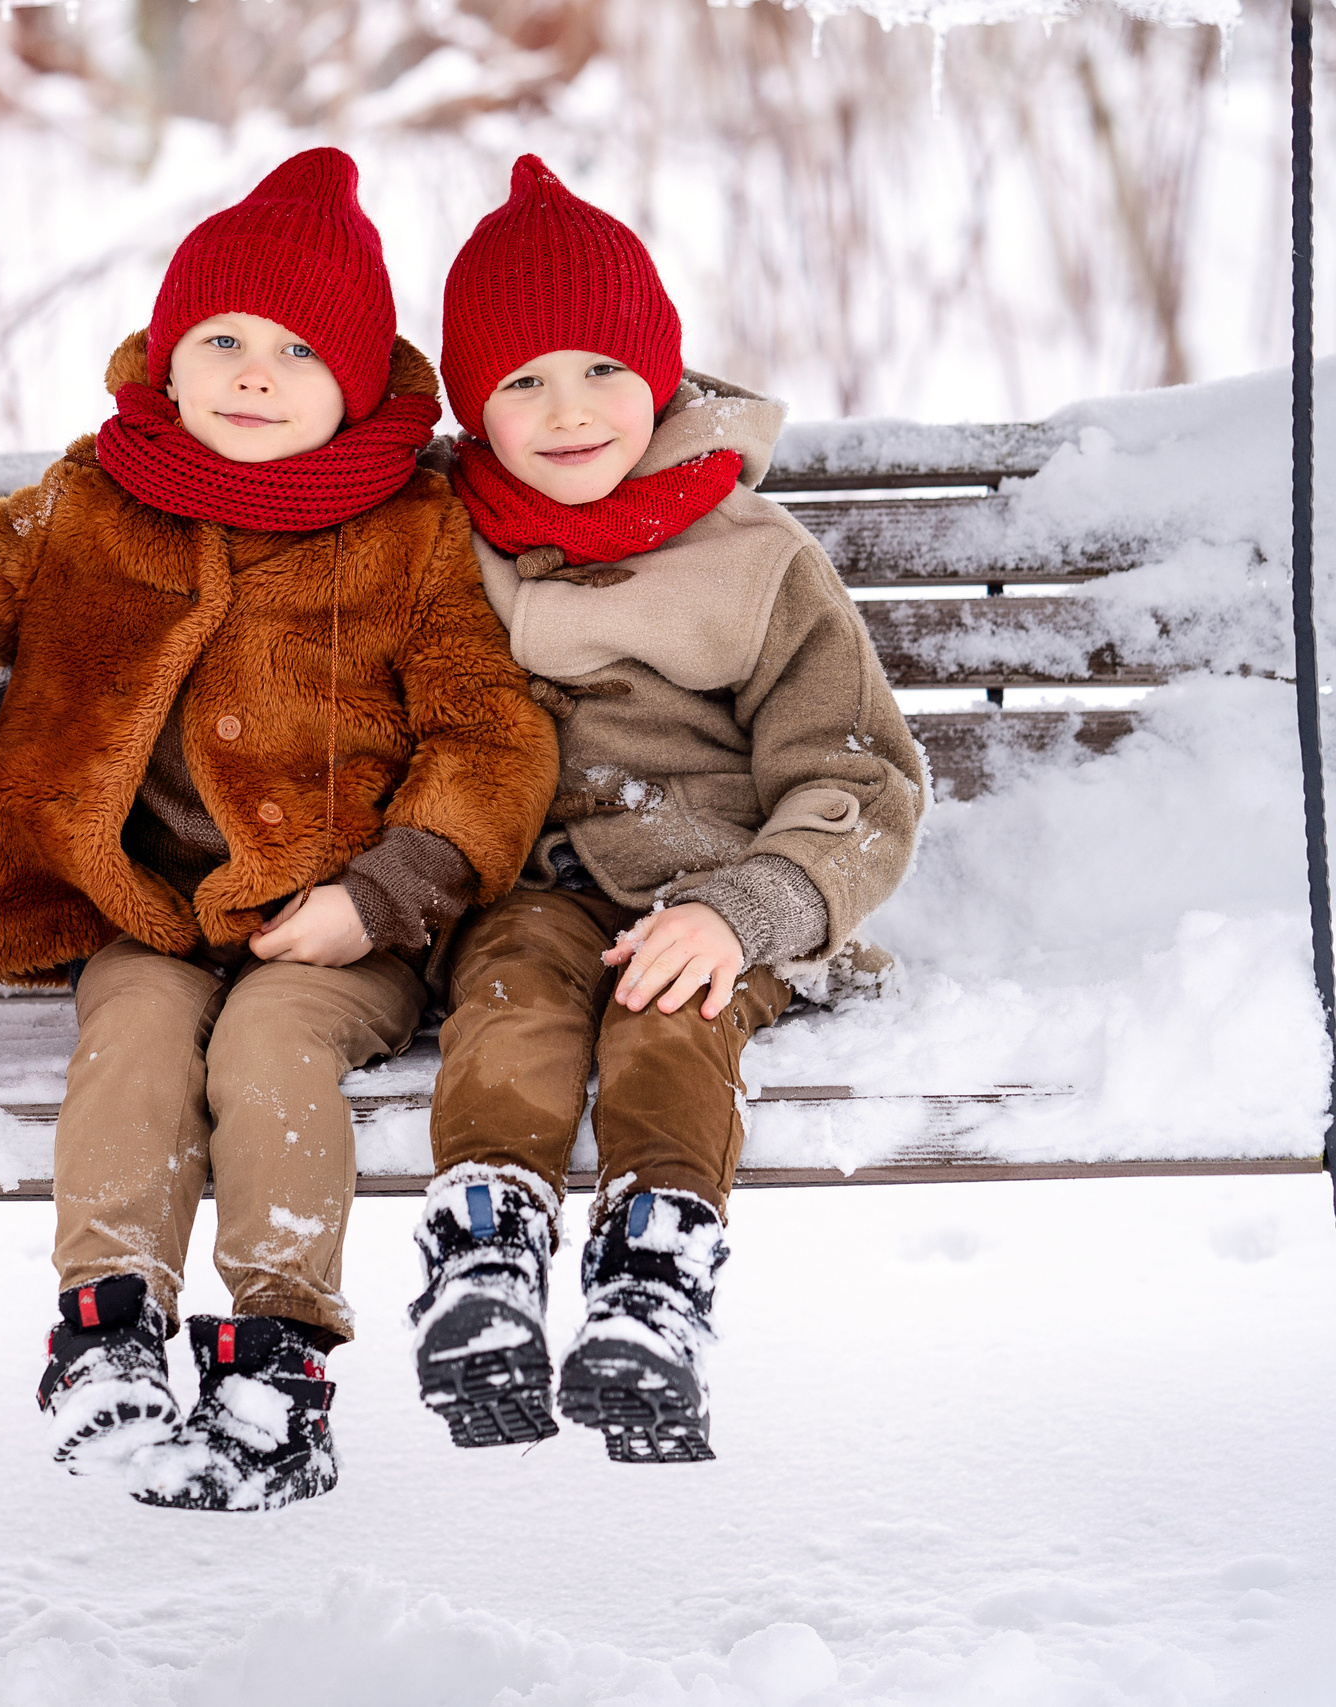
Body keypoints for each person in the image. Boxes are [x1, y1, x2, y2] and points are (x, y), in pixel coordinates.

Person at [0, 149, 558, 1511]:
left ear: (359, 382)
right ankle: (109, 1330)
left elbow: (491, 733)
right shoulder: (95, 493)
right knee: (134, 1035)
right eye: (222, 340)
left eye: (296, 351)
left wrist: (385, 894)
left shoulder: (411, 528)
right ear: (168, 357)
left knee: (271, 1045)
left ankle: (278, 1361)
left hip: (339, 921)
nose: (254, 374)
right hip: (139, 900)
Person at [411, 155, 925, 1465]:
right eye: (522, 379)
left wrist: (750, 909)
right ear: (476, 405)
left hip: (706, 895)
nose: (568, 408)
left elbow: (858, 775)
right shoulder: (436, 542)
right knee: (512, 1002)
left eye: (600, 371)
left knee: (668, 1017)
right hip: (517, 894)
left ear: (661, 375)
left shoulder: (756, 556)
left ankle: (654, 1276)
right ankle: (486, 1257)